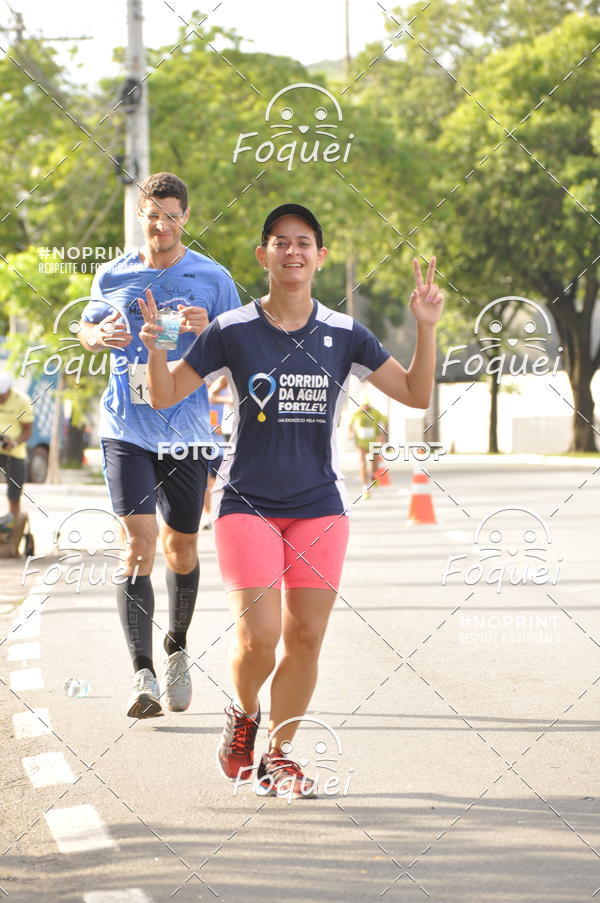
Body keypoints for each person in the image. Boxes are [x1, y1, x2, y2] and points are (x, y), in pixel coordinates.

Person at [138, 202, 444, 795]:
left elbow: (413, 391)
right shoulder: (233, 330)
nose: (293, 251)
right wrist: (156, 346)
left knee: (305, 637)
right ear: (264, 256)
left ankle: (279, 753)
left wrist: (426, 326)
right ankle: (245, 713)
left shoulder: (344, 333)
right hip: (246, 502)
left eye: (304, 242)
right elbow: (164, 393)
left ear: (320, 257)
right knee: (260, 638)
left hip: (319, 507)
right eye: (280, 242)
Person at [78, 172, 241, 718]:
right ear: (141, 217)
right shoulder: (114, 274)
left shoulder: (211, 276)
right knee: (137, 547)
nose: (161, 224)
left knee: (181, 549)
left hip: (190, 432)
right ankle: (142, 676)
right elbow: (85, 327)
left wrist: (211, 323)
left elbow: (242, 339)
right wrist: (98, 336)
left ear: (185, 218)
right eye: (153, 214)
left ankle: (176, 648)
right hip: (127, 428)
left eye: (172, 215)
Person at [0, 371, 33, 529]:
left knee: (14, 491)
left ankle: (11, 525)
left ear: (8, 390)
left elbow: (27, 430)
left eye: (2, 395)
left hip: (14, 451)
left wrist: (14, 442)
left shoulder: (22, 401)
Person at [348, 401, 389, 498]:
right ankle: (365, 487)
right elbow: (350, 426)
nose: (365, 407)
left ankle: (372, 475)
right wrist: (350, 433)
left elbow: (384, 423)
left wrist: (381, 435)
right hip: (361, 443)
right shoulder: (356, 414)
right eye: (363, 405)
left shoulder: (376, 413)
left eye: (366, 405)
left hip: (374, 442)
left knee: (375, 463)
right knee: (362, 463)